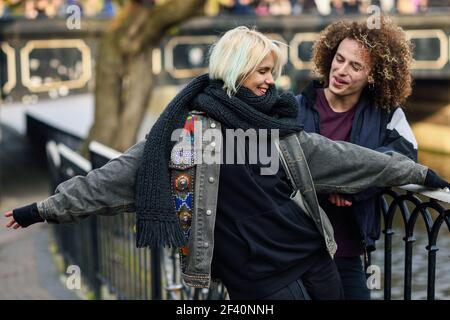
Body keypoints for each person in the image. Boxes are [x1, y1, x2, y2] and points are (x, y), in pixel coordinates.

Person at [4, 26, 450, 300]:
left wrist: (417, 173)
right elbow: (115, 178)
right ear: (235, 71)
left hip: (315, 255)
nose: (271, 83)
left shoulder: (279, 124)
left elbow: (349, 159)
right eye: (262, 73)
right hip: (259, 277)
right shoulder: (186, 135)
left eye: (273, 73)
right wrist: (41, 210)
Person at [295, 17, 420, 299]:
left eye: (355, 66)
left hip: (346, 251)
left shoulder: (387, 115)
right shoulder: (296, 108)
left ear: (373, 75)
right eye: (339, 59)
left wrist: (356, 188)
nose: (341, 71)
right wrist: (337, 180)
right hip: (294, 250)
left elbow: (404, 159)